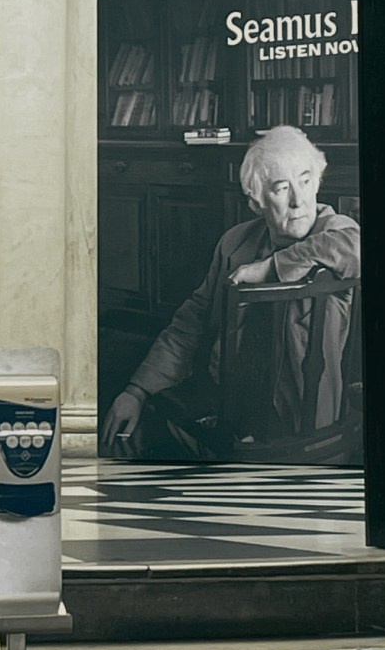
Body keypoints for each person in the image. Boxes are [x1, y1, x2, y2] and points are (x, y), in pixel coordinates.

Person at [101, 125, 360, 456]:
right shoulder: (236, 242)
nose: (298, 201)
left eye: (306, 181)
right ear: (256, 202)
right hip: (226, 404)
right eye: (281, 189)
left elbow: (358, 248)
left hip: (301, 424)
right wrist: (136, 390)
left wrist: (269, 268)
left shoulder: (337, 231)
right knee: (125, 438)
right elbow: (190, 324)